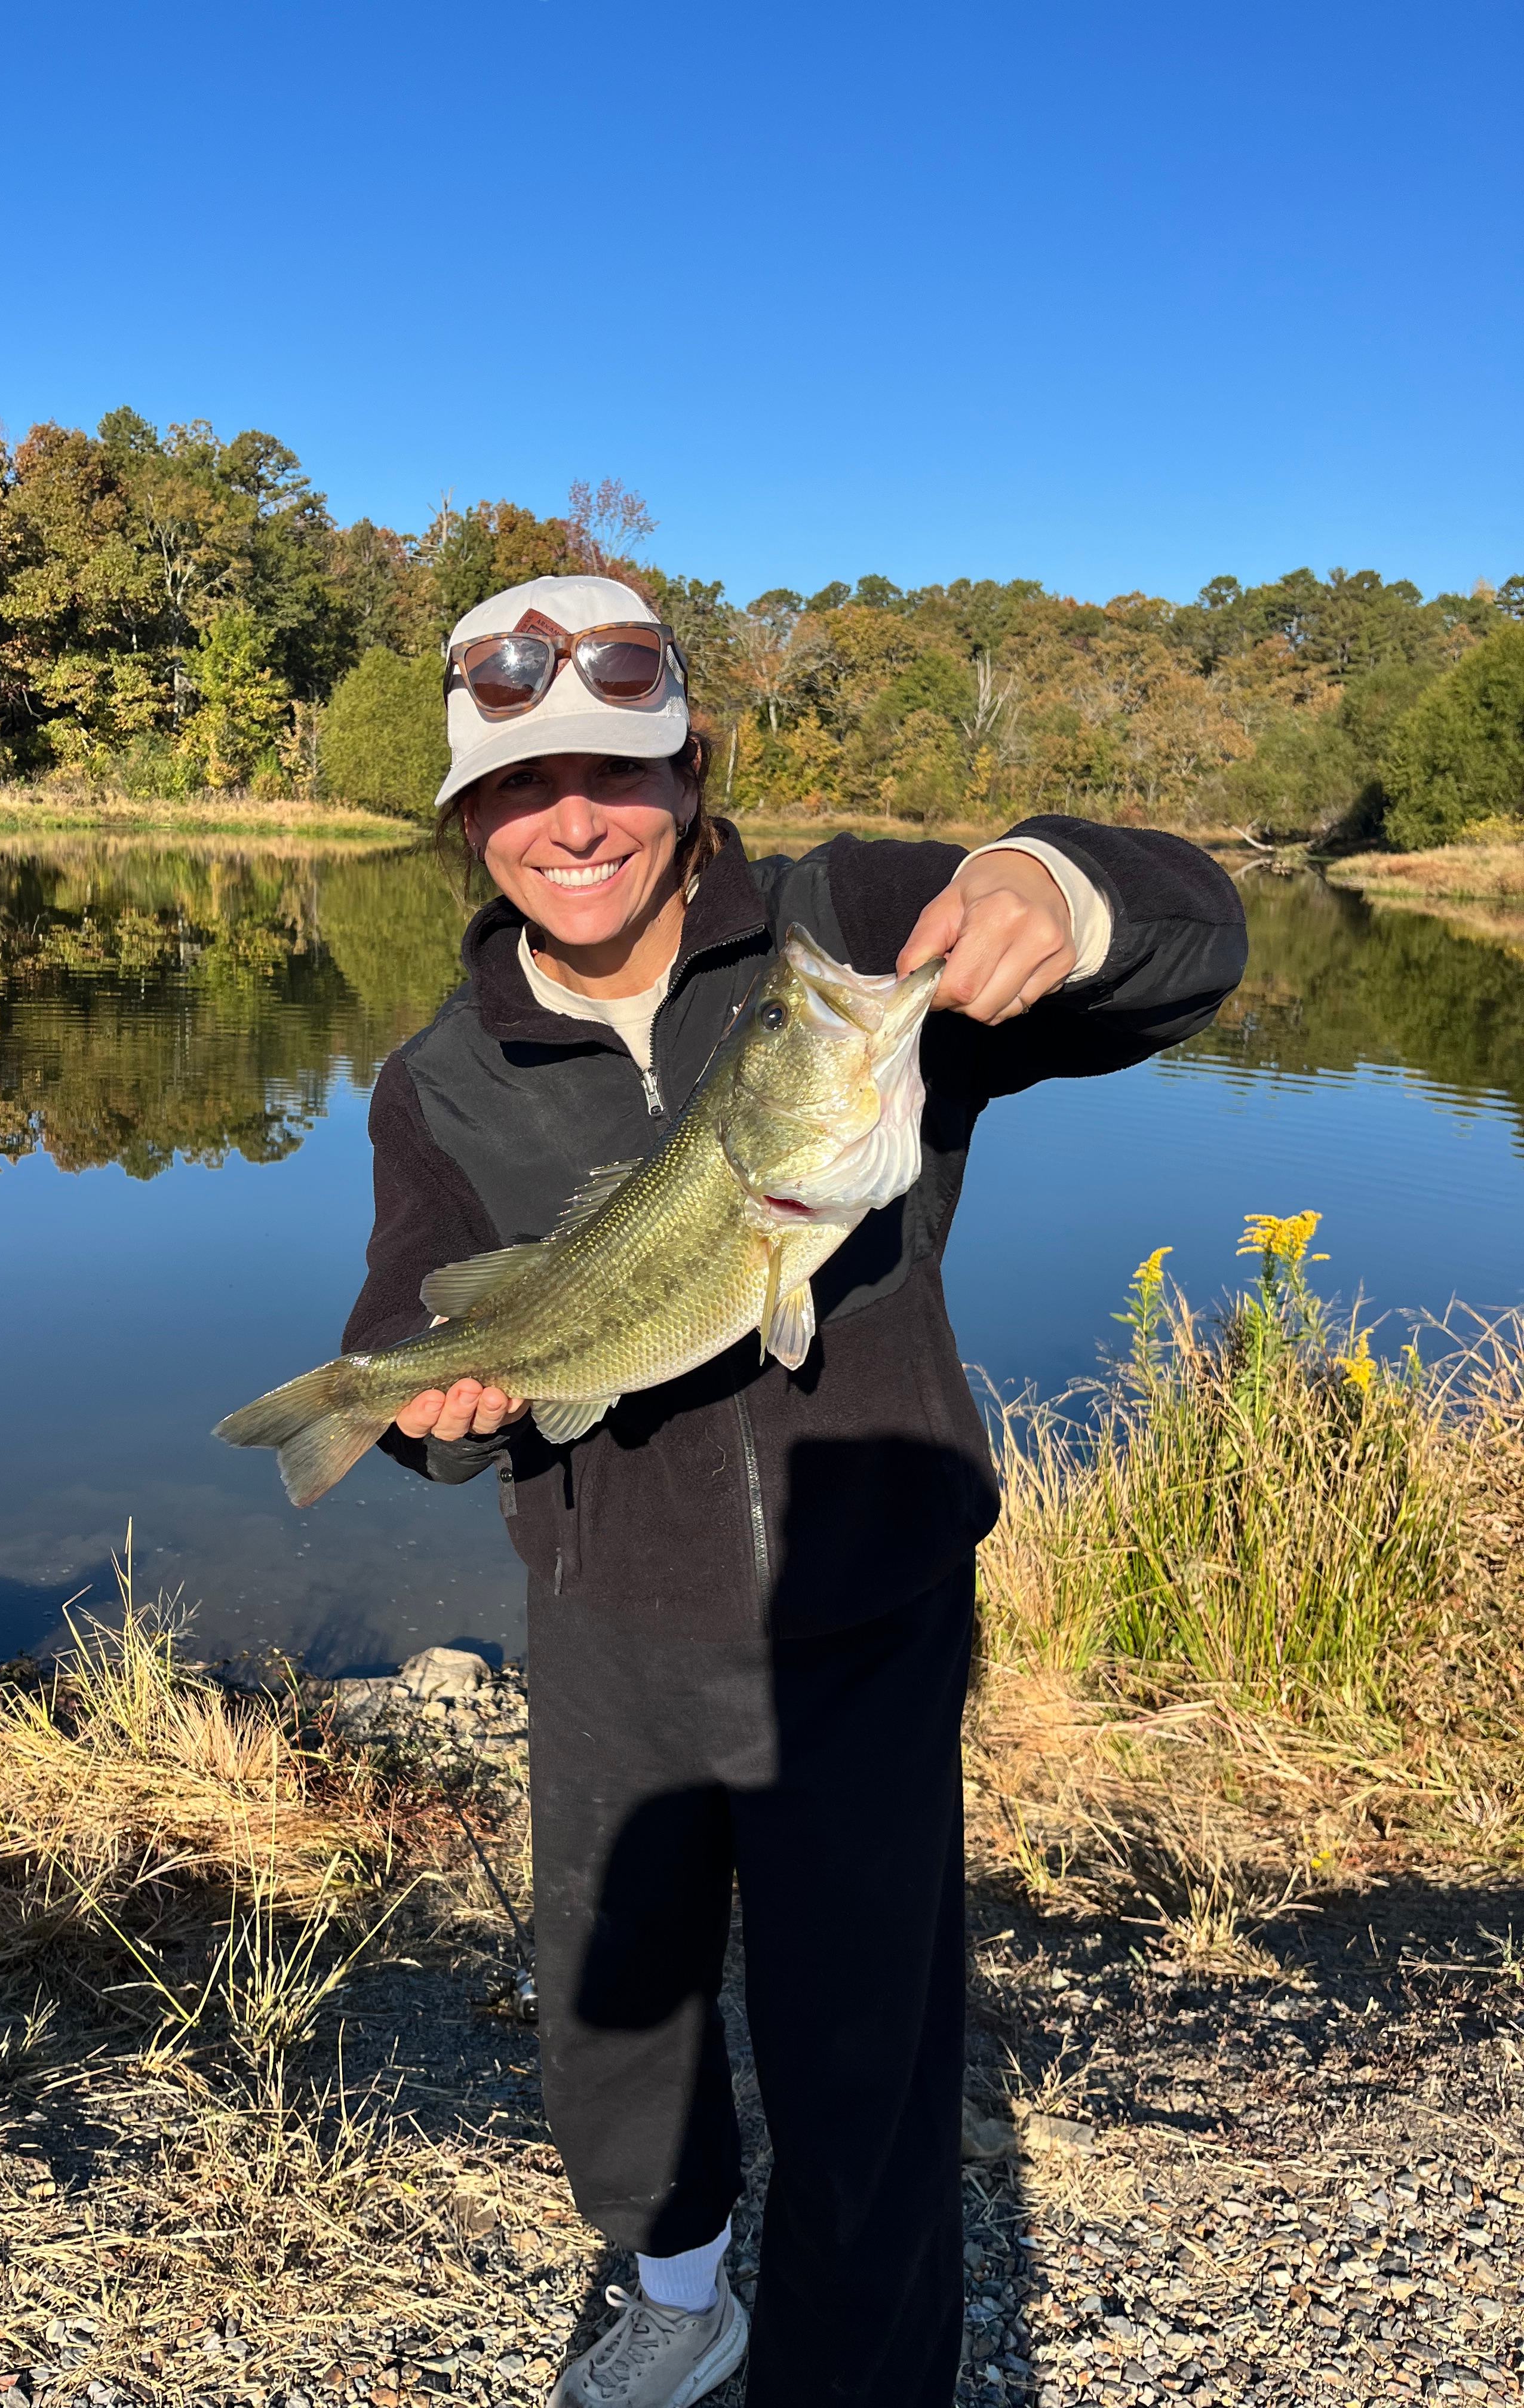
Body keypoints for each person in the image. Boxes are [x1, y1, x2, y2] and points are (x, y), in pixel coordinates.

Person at [340, 575, 1248, 2406]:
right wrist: (431, 1412)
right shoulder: (435, 1075)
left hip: (871, 1610)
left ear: (690, 772)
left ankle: (862, 2364)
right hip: (605, 1621)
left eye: (617, 771)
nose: (572, 821)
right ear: (466, 821)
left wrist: (1053, 887)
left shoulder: (841, 937)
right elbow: (404, 1309)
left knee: (867, 2044)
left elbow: (1195, 941)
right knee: (624, 2014)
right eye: (521, 789)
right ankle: (677, 2289)